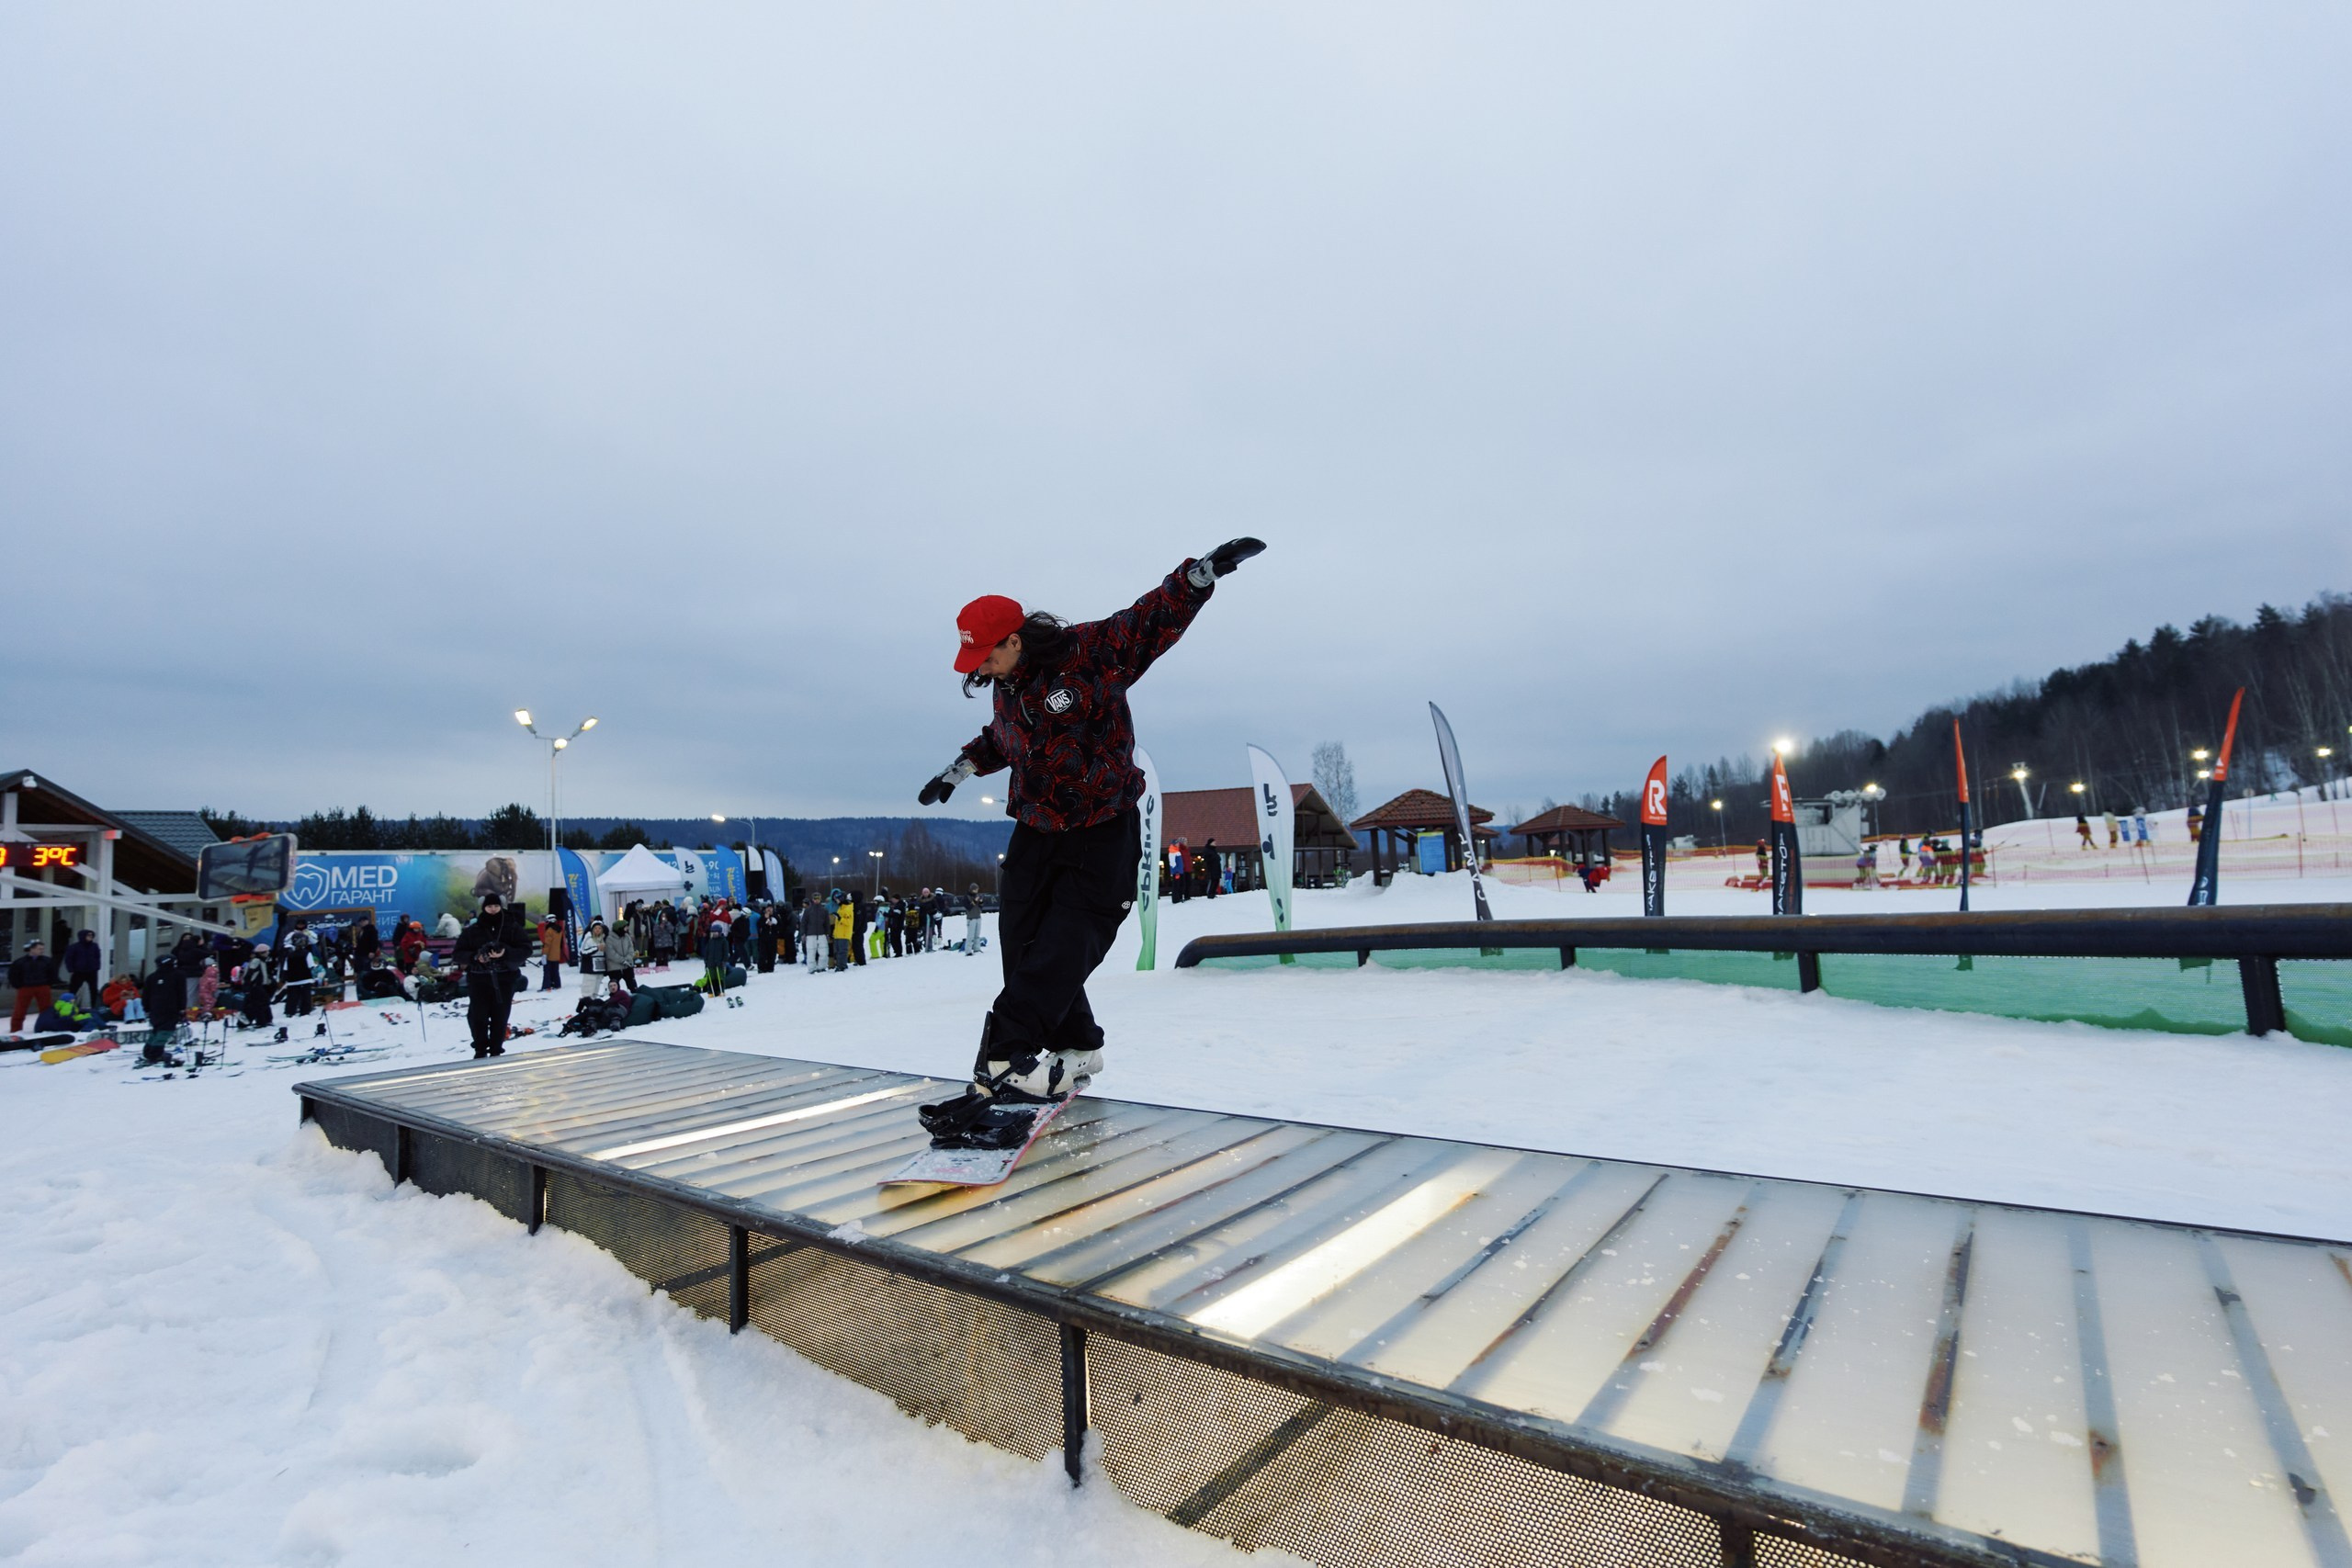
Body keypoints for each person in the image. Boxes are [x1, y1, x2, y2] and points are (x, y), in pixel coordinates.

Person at [912, 537, 1261, 1134]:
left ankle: (1006, 1055)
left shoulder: (1089, 654)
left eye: (985, 658)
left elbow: (1148, 621)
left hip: (1102, 830)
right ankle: (1078, 1047)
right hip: (1037, 827)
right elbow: (1004, 738)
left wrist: (1199, 576)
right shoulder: (1007, 687)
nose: (980, 670)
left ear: (1014, 640)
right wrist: (959, 769)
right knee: (1021, 938)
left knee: (1066, 942)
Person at [453, 893, 528, 1059]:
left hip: (504, 979)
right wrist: (475, 957)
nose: (493, 910)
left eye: (495, 906)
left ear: (500, 906)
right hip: (479, 979)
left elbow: (526, 949)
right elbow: (458, 954)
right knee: (477, 1016)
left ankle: (496, 1048)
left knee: (500, 1016)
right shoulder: (473, 931)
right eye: (489, 907)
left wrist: (505, 952)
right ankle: (480, 1048)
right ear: (483, 908)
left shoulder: (512, 927)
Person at [9, 940, 59, 1032]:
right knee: (20, 1009)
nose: (41, 951)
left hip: (43, 986)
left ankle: (45, 1028)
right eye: (39, 949)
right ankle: (15, 1030)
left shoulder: (47, 961)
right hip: (25, 987)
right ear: (31, 949)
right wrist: (19, 985)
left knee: (46, 1009)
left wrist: (48, 984)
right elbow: (13, 975)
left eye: (42, 949)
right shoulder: (20, 962)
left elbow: (53, 973)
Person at [538, 912, 568, 990]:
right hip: (556, 954)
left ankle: (546, 986)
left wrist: (544, 954)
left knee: (547, 971)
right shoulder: (559, 930)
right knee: (555, 971)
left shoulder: (549, 931)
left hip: (549, 955)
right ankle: (557, 984)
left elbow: (547, 944)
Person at [829, 892, 854, 971]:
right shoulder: (840, 908)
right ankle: (841, 965)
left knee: (842, 951)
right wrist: (834, 933)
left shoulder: (848, 908)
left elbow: (848, 922)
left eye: (838, 899)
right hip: (838, 934)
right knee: (838, 951)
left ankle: (841, 966)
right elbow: (837, 924)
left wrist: (840, 918)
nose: (836, 901)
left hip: (844, 934)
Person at [964, 883, 985, 955]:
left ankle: (977, 948)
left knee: (977, 935)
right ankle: (968, 950)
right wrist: (975, 901)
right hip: (971, 918)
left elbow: (981, 907)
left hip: (978, 917)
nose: (977, 891)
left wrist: (981, 902)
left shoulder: (977, 896)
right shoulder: (966, 897)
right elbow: (968, 907)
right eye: (975, 889)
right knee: (970, 935)